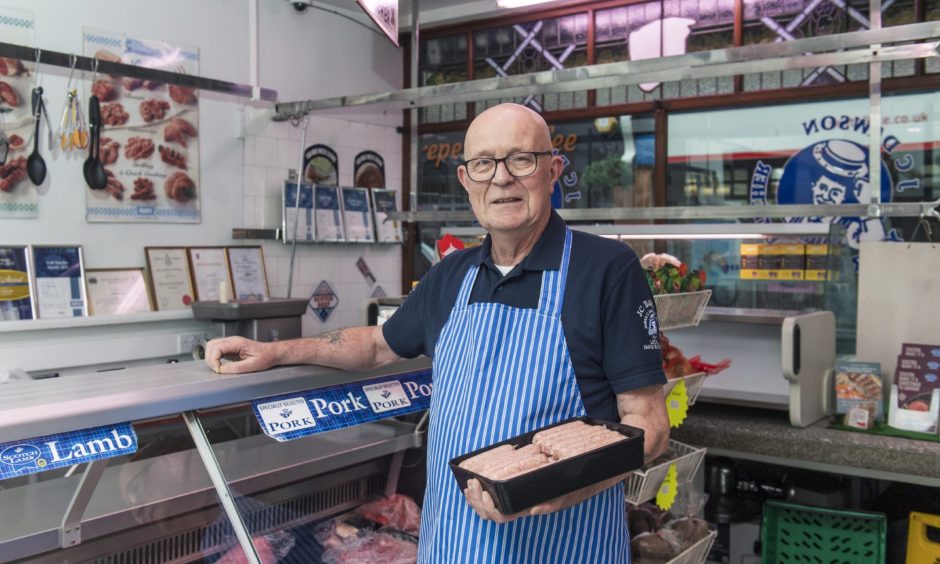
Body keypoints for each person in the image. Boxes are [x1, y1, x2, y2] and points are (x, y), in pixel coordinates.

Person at [206, 103, 670, 563]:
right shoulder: (451, 275)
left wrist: (555, 492)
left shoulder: (607, 269)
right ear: (466, 180)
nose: (501, 178)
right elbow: (376, 345)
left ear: (553, 170)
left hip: (563, 545)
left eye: (521, 159)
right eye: (484, 164)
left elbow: (648, 427)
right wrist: (274, 351)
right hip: (453, 544)